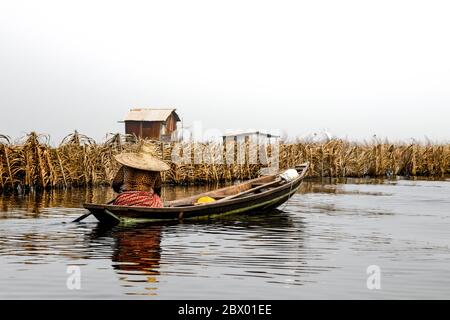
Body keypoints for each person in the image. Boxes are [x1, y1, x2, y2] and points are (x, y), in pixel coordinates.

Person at [112, 143, 170, 207]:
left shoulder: (125, 167)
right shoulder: (155, 171)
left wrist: (125, 194)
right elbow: (157, 189)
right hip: (146, 202)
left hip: (123, 201)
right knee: (157, 198)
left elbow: (115, 184)